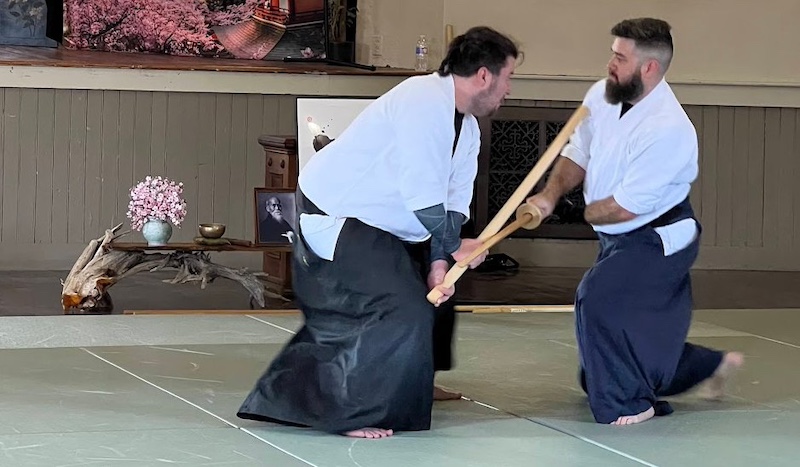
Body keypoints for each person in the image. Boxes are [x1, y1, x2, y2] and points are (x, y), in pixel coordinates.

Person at [237, 26, 520, 438]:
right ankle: (349, 410)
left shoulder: (469, 128)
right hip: (338, 213)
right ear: (483, 75)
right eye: (508, 77)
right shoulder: (423, 101)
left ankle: (411, 380)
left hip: (390, 223)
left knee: (435, 296)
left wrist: (442, 263)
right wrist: (457, 245)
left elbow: (453, 204)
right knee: (399, 306)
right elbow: (424, 199)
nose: (509, 89)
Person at [525, 17, 744, 426]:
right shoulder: (603, 93)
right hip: (617, 234)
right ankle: (713, 365)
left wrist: (574, 211)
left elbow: (624, 208)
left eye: (620, 57)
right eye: (612, 53)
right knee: (634, 337)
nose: (610, 63)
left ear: (649, 69)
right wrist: (550, 195)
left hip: (658, 236)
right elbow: (578, 152)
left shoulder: (670, 129)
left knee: (598, 299)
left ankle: (630, 403)